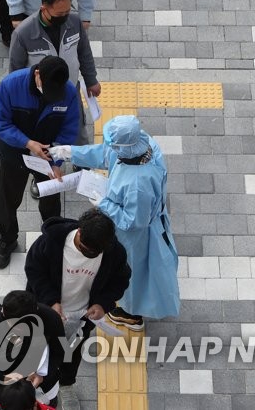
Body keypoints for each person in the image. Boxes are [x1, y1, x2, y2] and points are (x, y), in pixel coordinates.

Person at [50, 115, 180, 330]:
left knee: (131, 271)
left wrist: (104, 204)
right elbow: (105, 153)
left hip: (133, 236)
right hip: (133, 226)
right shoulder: (143, 146)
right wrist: (71, 152)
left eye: (114, 145)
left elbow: (133, 221)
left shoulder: (139, 184)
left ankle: (131, 313)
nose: (111, 148)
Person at [24, 209, 131, 410]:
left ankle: (66, 385)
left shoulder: (114, 252)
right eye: (86, 249)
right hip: (44, 310)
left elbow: (121, 280)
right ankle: (29, 382)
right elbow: (33, 269)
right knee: (34, 345)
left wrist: (103, 304)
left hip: (81, 316)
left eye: (96, 253)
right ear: (79, 232)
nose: (91, 254)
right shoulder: (52, 241)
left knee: (71, 354)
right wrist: (50, 301)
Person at [0, 56, 80, 269]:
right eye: (47, 89)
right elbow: (0, 122)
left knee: (51, 202)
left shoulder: (68, 93)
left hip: (48, 158)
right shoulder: (11, 85)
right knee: (7, 200)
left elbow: (69, 129)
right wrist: (28, 143)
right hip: (14, 155)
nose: (51, 96)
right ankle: (8, 240)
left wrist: (57, 162)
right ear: (38, 74)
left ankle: (53, 241)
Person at [9, 0, 101, 145]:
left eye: (67, 11)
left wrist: (91, 80)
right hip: (41, 96)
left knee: (77, 131)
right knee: (45, 133)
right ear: (44, 8)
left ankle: (82, 162)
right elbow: (15, 70)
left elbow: (84, 52)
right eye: (60, 13)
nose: (65, 16)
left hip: (71, 90)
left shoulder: (74, 22)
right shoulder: (23, 33)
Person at [0, 290, 64, 407]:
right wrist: (4, 380)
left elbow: (61, 352)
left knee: (50, 404)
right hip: (7, 392)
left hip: (45, 385)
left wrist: (43, 376)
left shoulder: (51, 318)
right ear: (5, 317)